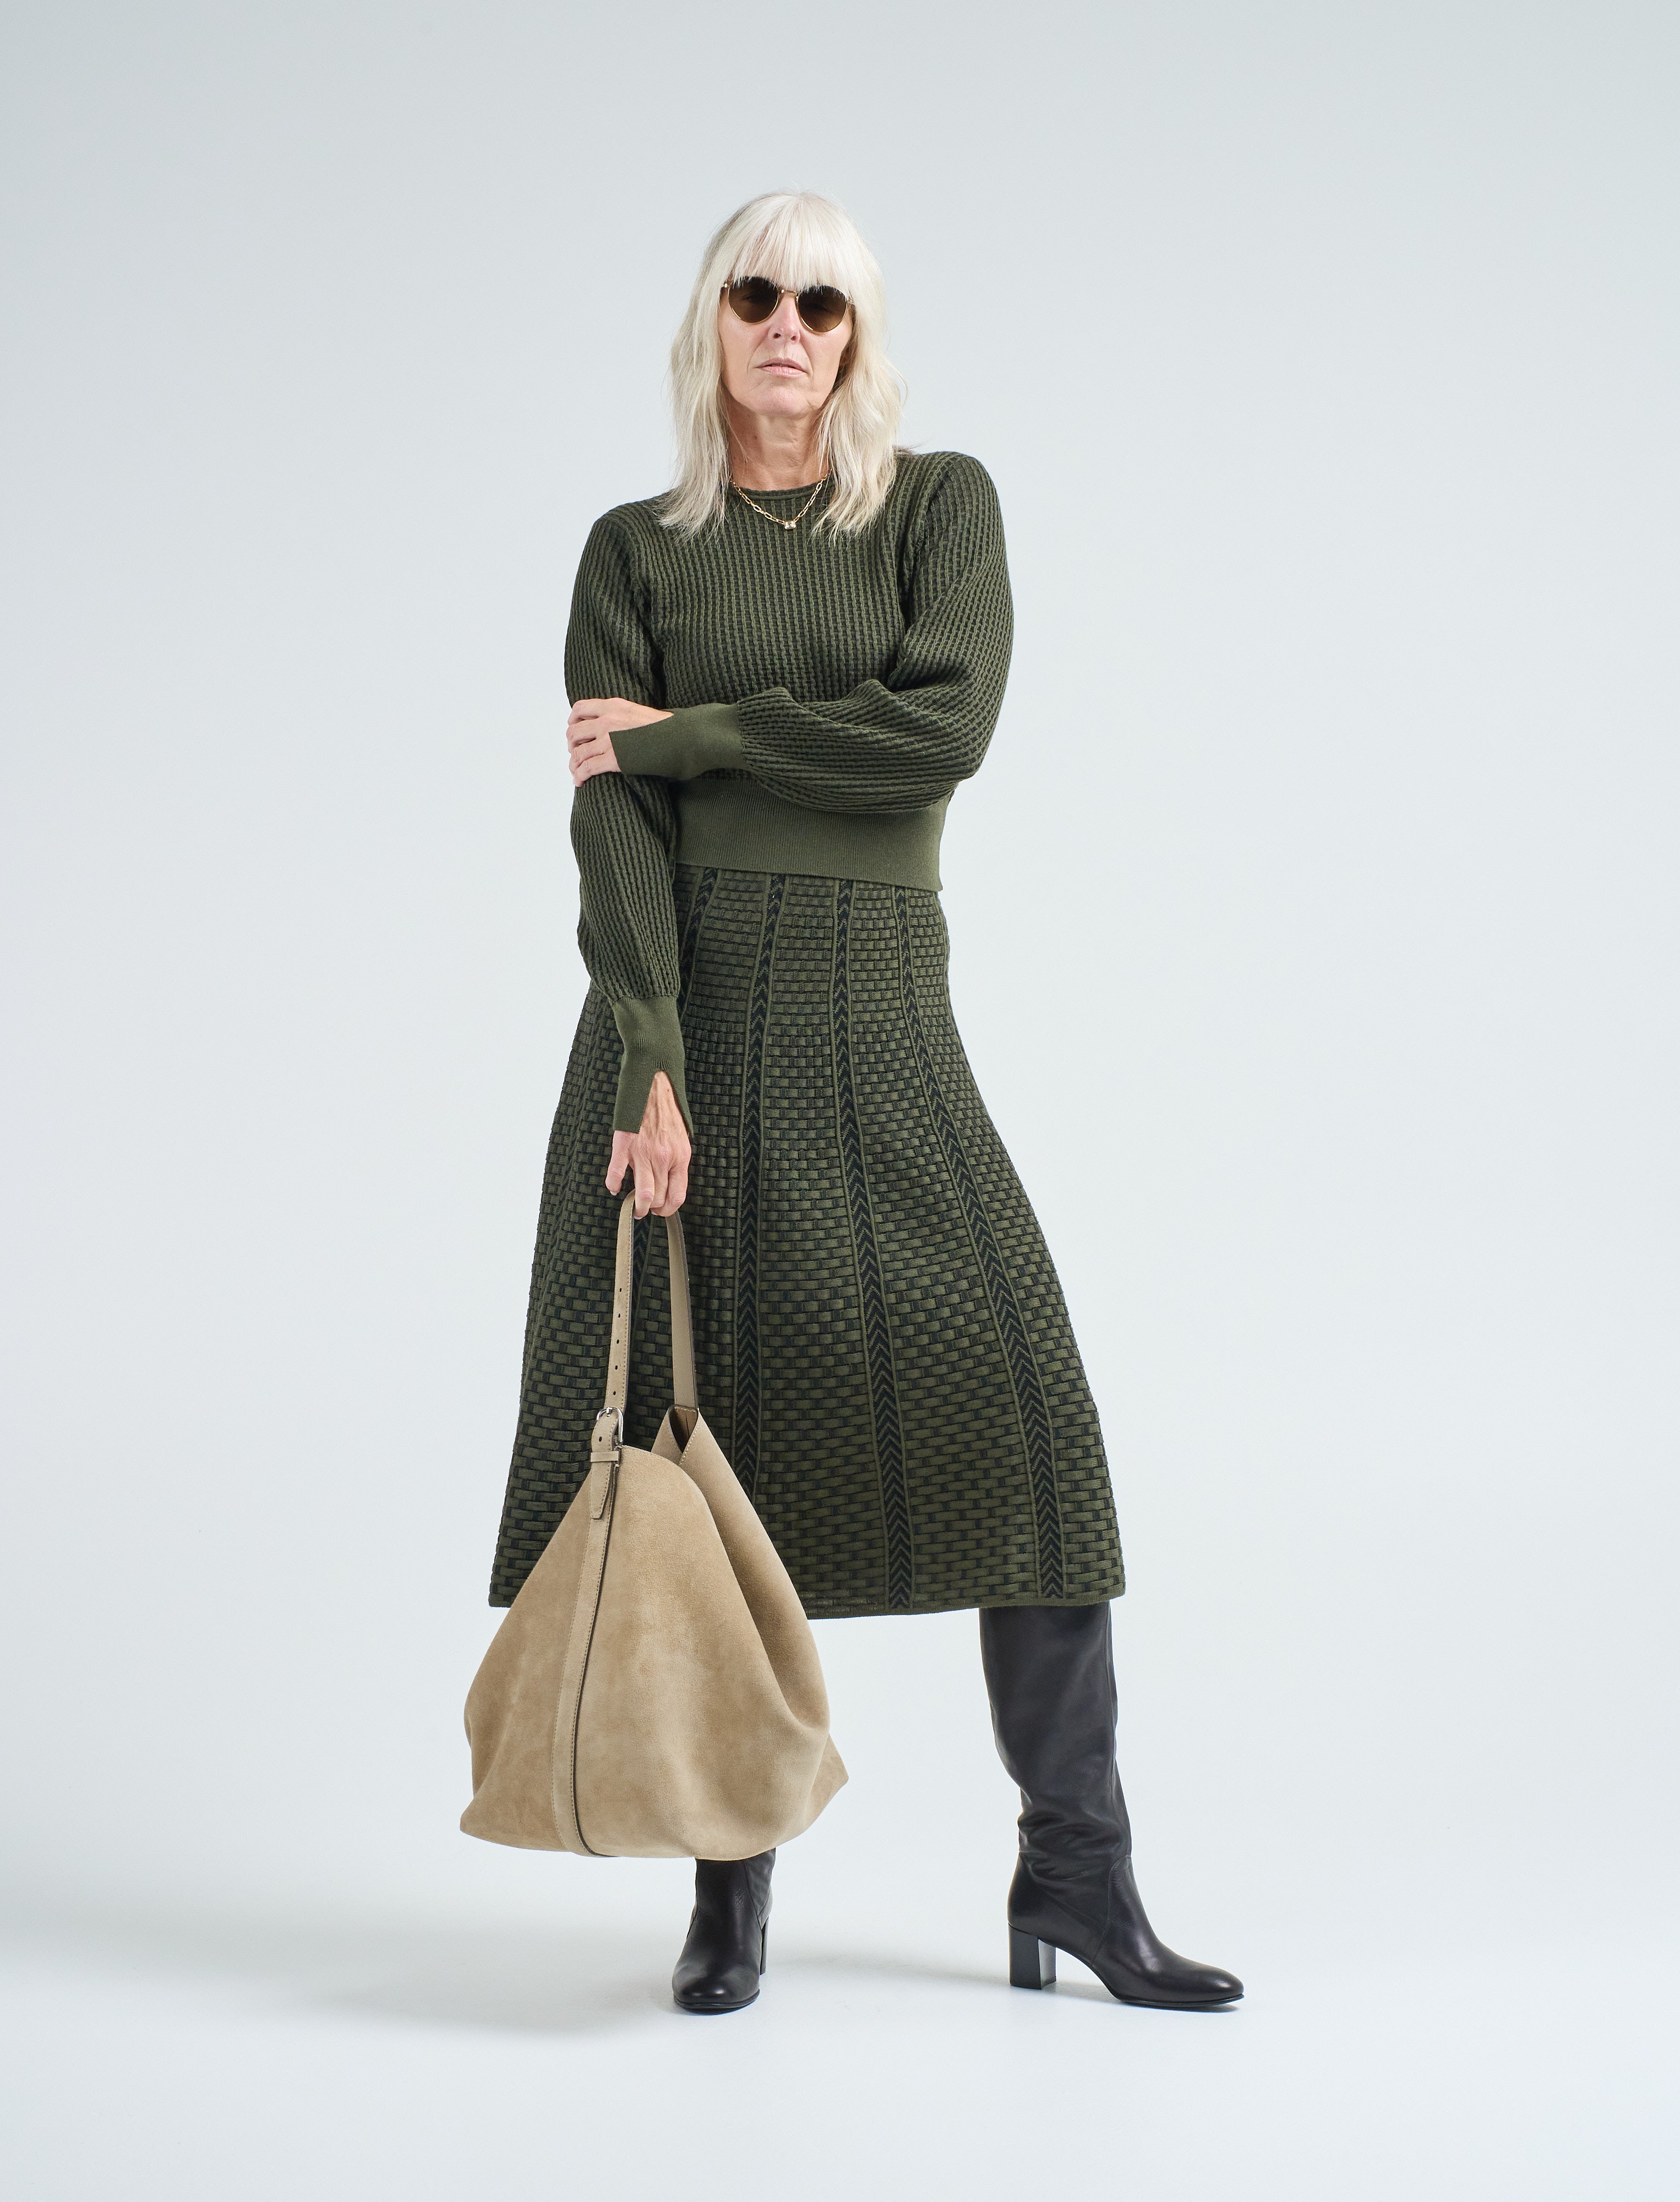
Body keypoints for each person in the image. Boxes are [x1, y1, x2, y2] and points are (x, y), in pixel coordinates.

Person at [488, 190, 1240, 2016]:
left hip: (885, 1010)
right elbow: (614, 825)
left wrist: (699, 734)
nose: (787, 326)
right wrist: (651, 1054)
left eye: (821, 303)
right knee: (719, 1437)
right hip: (696, 1023)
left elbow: (940, 733)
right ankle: (728, 1885)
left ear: (857, 336)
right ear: (713, 322)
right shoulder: (634, 552)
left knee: (1035, 1442)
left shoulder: (936, 511)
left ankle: (1078, 1877)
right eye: (756, 293)